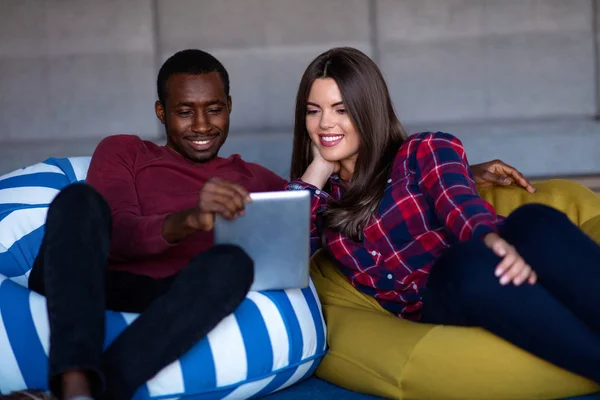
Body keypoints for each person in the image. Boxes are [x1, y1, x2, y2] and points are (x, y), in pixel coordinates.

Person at [16, 48, 532, 400]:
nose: (201, 126)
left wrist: (459, 170)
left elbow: (350, 197)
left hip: (180, 293)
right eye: (184, 112)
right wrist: (191, 218)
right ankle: (76, 379)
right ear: (161, 112)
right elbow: (121, 233)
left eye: (214, 110)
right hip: (96, 274)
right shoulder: (124, 151)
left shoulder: (258, 178)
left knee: (233, 265)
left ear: (230, 109)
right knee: (78, 201)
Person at [286, 46, 600, 385]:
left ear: (368, 111)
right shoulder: (320, 202)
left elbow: (458, 201)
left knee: (534, 222)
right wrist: (317, 171)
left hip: (488, 259)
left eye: (341, 109)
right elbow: (285, 259)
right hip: (442, 295)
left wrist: (491, 237)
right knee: (467, 267)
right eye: (313, 111)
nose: (324, 123)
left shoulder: (423, 150)